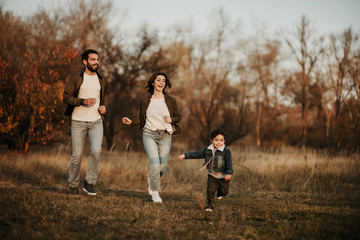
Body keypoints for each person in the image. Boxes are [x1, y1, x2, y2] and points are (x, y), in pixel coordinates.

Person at [122, 72, 181, 203]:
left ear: (165, 84)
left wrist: (171, 119)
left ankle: (151, 179)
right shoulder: (145, 100)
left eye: (163, 81)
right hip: (149, 134)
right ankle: (155, 192)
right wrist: (131, 122)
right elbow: (143, 120)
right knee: (154, 163)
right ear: (153, 83)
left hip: (165, 135)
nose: (161, 82)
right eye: (158, 80)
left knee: (162, 166)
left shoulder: (171, 101)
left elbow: (178, 117)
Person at [63, 49, 108, 196]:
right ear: (85, 62)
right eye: (93, 59)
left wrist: (103, 107)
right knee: (77, 155)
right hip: (78, 121)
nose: (96, 62)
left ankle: (89, 183)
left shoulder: (101, 79)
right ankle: (73, 185)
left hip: (95, 121)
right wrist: (82, 101)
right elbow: (66, 98)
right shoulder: (76, 78)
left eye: (97, 59)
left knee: (96, 151)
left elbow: (104, 97)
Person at [178, 128, 233, 212]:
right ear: (211, 140)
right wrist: (185, 155)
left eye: (221, 140)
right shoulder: (208, 150)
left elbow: (229, 163)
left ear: (224, 141)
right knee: (210, 191)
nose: (219, 142)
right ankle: (210, 205)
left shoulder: (226, 151)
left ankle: (219, 193)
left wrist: (229, 173)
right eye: (216, 140)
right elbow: (197, 154)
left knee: (224, 191)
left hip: (223, 175)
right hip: (212, 175)